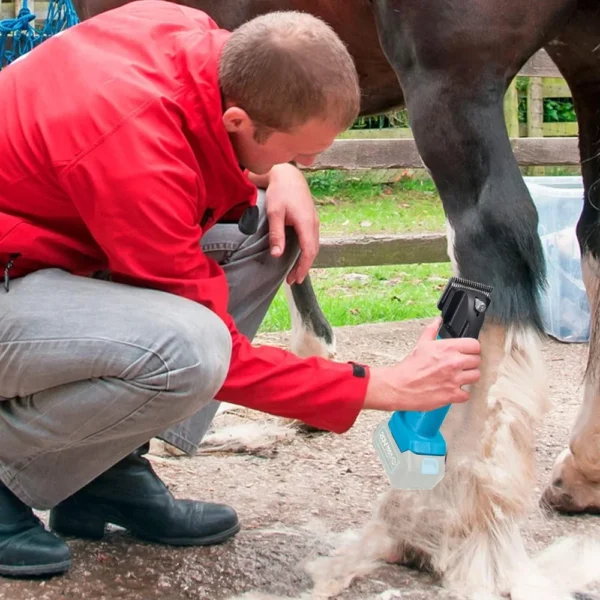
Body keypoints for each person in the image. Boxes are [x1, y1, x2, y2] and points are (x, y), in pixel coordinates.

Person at [0, 0, 482, 579]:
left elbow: (214, 143)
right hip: (15, 277)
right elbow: (226, 360)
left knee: (268, 234)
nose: (305, 163)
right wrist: (383, 387)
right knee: (190, 350)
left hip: (46, 251)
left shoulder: (200, 38)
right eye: (298, 152)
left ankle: (104, 468)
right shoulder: (135, 152)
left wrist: (280, 172)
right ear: (238, 121)